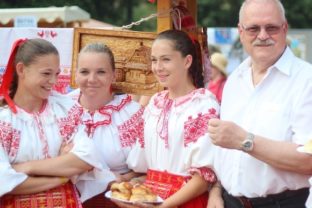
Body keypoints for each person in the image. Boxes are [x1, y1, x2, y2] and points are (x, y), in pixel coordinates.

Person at [207, 0, 312, 208]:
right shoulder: (235, 81)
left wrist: (245, 140)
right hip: (229, 202)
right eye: (253, 28)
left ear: (285, 28)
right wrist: (216, 191)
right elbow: (224, 153)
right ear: (241, 31)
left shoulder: (307, 80)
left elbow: (309, 160)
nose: (262, 35)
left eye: (271, 28)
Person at [113, 29, 220, 208]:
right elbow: (145, 165)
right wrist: (130, 183)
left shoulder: (203, 104)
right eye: (154, 60)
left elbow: (203, 176)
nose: (158, 67)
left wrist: (164, 206)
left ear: (187, 61)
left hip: (185, 201)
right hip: (152, 198)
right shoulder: (155, 103)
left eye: (166, 59)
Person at [0, 38, 104, 208]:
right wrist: (62, 176)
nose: (54, 81)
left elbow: (86, 159)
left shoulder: (64, 109)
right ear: (21, 69)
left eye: (56, 74)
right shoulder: (4, 120)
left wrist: (25, 167)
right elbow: (3, 181)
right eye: (46, 73)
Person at [68, 42, 144, 208]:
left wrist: (125, 178)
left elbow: (148, 165)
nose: (92, 79)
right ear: (75, 74)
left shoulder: (132, 113)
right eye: (84, 71)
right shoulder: (62, 109)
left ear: (113, 75)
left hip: (115, 201)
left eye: (101, 72)